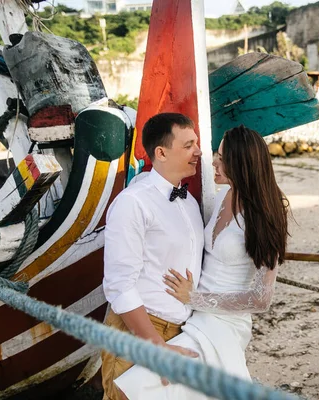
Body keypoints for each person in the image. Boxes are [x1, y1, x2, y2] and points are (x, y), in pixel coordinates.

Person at [115, 125, 290, 399]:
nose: (213, 161)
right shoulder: (221, 197)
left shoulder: (266, 213)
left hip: (222, 324)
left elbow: (261, 299)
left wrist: (195, 298)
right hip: (193, 316)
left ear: (241, 162)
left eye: (222, 157)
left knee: (141, 387)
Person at [101, 113, 205, 400]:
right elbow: (119, 286)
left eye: (195, 143)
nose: (198, 151)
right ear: (160, 153)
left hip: (182, 331)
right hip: (137, 334)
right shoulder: (132, 203)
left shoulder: (189, 202)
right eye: (188, 146)